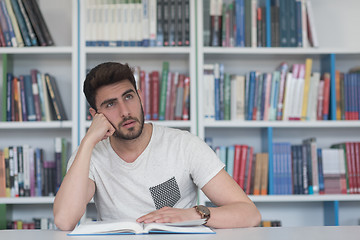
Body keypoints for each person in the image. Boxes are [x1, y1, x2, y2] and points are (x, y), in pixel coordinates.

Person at [53, 62, 261, 231]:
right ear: (95, 115)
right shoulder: (89, 155)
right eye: (110, 104)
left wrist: (192, 215)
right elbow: (64, 221)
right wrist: (89, 140)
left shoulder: (184, 145)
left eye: (128, 96)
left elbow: (249, 213)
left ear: (140, 97)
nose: (125, 111)